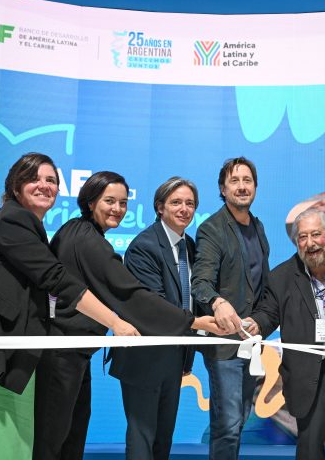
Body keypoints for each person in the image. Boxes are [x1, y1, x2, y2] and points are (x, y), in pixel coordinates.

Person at [0, 153, 139, 460]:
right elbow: (56, 279)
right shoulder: (13, 219)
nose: (44, 186)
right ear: (15, 186)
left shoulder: (32, 226)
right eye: (34, 178)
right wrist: (116, 322)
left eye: (51, 180)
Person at [33, 171, 221, 460]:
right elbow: (132, 296)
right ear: (91, 201)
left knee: (71, 436)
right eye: (109, 201)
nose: (118, 209)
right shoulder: (90, 240)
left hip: (76, 352)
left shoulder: (80, 232)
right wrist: (192, 322)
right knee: (54, 439)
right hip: (65, 354)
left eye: (122, 203)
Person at [246, 208, 325, 460]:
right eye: (302, 237)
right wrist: (255, 324)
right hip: (309, 375)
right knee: (309, 449)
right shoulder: (281, 277)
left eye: (316, 234)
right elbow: (268, 313)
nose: (310, 243)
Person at [108, 176, 200, 460]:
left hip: (175, 356)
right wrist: (197, 323)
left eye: (190, 203)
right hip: (144, 359)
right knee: (142, 439)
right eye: (176, 202)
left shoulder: (190, 246)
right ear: (160, 207)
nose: (184, 209)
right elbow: (153, 307)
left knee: (163, 439)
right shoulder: (144, 246)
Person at [191, 156, 270, 460]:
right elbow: (200, 282)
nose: (241, 186)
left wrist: (261, 322)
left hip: (251, 344)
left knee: (239, 421)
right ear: (223, 189)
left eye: (247, 180)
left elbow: (260, 285)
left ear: (255, 187)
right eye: (234, 181)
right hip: (223, 345)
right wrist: (218, 302)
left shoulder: (258, 227)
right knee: (227, 426)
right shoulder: (212, 229)